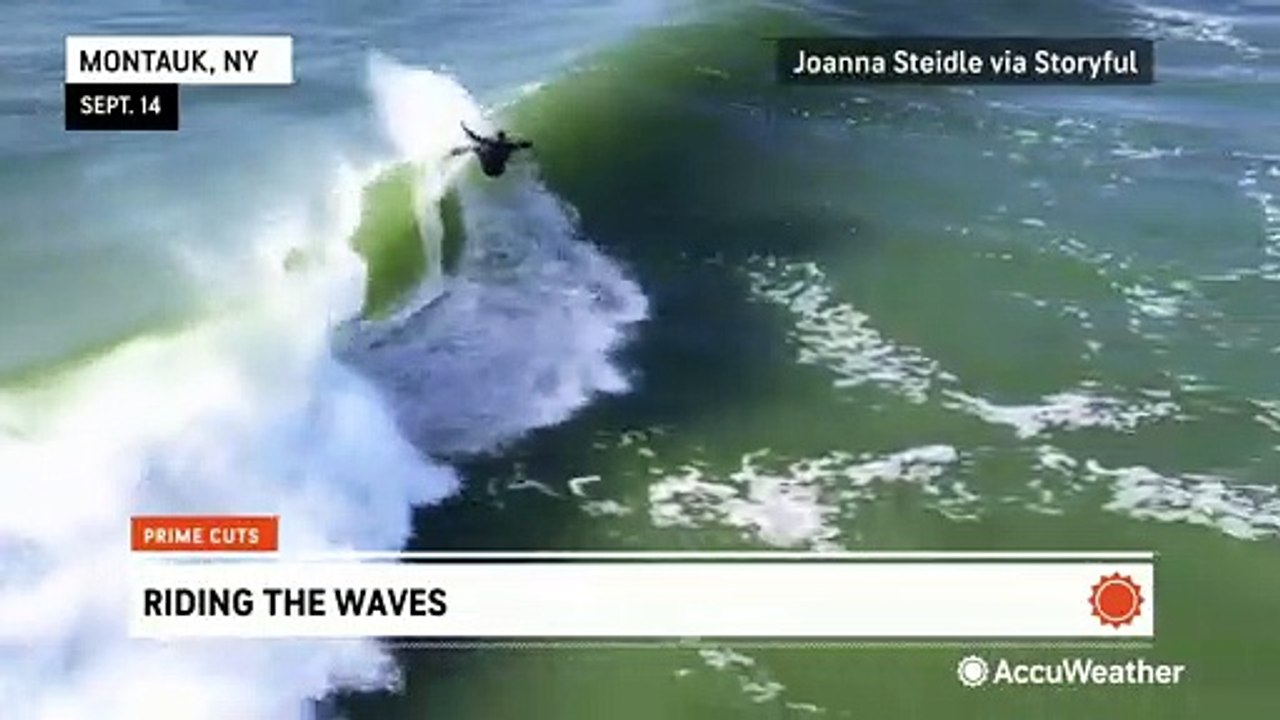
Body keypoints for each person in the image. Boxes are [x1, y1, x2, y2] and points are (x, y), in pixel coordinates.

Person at [449, 123, 533, 177]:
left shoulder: (489, 141)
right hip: (498, 171)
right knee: (506, 154)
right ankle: (455, 152)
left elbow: (474, 137)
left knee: (475, 148)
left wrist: (465, 129)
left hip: (487, 170)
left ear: (497, 136)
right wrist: (528, 144)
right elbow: (520, 145)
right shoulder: (508, 145)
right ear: (504, 138)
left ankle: (453, 153)